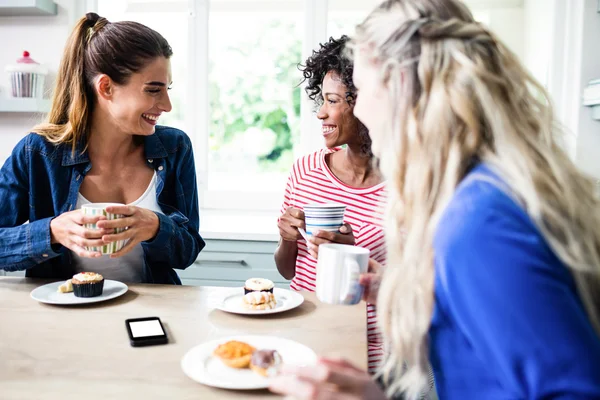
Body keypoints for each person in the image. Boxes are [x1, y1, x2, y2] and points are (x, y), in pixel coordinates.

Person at [270, 0, 600, 399]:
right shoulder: (480, 196)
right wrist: (408, 292)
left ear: (402, 89)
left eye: (363, 93)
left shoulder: (480, 220)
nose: (366, 119)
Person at [0, 13, 205, 284]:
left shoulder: (175, 147)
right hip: (65, 312)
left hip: (150, 312)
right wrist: (51, 232)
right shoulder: (37, 152)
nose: (167, 105)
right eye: (153, 90)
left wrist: (155, 226)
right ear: (106, 87)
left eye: (167, 89)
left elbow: (187, 251)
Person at [274, 36, 387, 374]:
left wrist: (351, 257)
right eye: (321, 99)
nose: (321, 112)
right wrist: (287, 238)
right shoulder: (305, 169)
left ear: (369, 104)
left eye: (334, 100)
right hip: (305, 340)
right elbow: (287, 271)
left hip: (375, 357)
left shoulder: (410, 185)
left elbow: (420, 290)